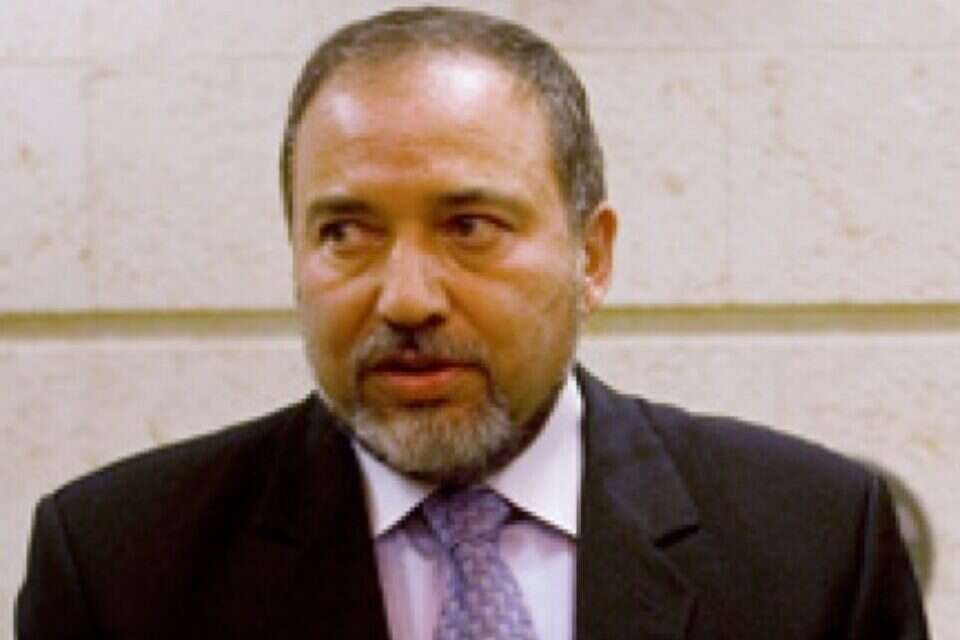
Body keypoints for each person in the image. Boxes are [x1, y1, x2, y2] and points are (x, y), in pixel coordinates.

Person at [16, 6, 928, 639]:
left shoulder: (813, 545)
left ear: (591, 256)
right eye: (346, 233)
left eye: (469, 227)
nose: (406, 297)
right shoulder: (118, 567)